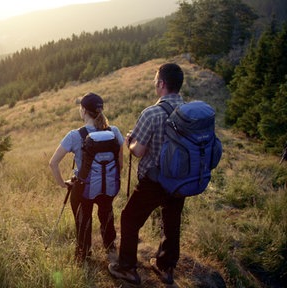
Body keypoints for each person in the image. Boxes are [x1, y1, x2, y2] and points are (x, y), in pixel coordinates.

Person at [108, 63, 185, 285]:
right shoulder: (188, 112)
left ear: (161, 83)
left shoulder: (151, 113)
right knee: (172, 220)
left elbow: (139, 152)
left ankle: (127, 268)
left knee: (129, 218)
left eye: (155, 81)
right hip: (181, 179)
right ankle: (166, 267)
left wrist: (130, 142)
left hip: (155, 181)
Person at [49, 92, 124, 263]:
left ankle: (83, 255)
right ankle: (110, 248)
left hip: (83, 188)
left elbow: (53, 163)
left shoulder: (75, 135)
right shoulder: (114, 131)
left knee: (83, 221)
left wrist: (63, 184)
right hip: (108, 186)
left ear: (83, 110)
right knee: (106, 213)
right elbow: (120, 164)